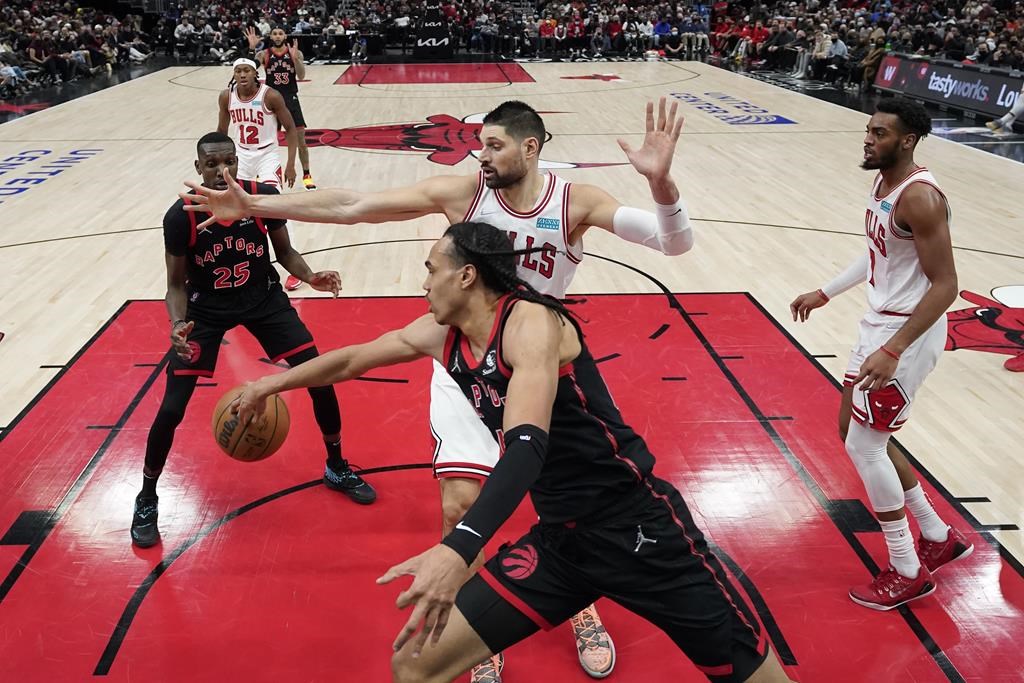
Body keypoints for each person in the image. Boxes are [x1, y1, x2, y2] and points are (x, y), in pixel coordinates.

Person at [184, 97, 694, 682]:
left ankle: (579, 604)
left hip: (538, 358)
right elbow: (353, 205)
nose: (482, 155)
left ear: (531, 148)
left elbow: (673, 243)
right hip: (466, 355)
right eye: (480, 144)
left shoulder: (574, 202)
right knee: (458, 504)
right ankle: (476, 634)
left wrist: (662, 184)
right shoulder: (463, 194)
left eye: (494, 145)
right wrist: (253, 204)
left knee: (564, 498)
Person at [233, 222, 794, 683]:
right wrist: (268, 385)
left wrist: (458, 549)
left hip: (639, 530)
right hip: (563, 543)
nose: (422, 283)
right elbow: (352, 359)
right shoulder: (441, 333)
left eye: (431, 269)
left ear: (466, 275)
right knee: (415, 665)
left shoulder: (532, 323)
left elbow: (525, 448)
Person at [130, 132, 375, 549]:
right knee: (172, 407)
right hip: (206, 309)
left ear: (237, 162)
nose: (221, 171)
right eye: (212, 164)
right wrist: (177, 323)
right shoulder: (182, 216)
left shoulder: (260, 198)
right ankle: (147, 496)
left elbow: (285, 252)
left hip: (263, 299)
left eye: (228, 161)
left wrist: (310, 276)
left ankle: (336, 466)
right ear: (198, 168)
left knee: (320, 376)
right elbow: (174, 285)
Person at [790, 99, 973, 611]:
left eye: (880, 133)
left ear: (907, 141)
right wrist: (825, 292)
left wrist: (894, 349)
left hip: (906, 334)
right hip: (880, 326)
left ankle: (907, 569)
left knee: (866, 446)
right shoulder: (883, 184)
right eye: (868, 130)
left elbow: (947, 286)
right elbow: (878, 252)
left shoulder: (921, 198)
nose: (868, 139)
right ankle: (936, 535)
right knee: (851, 431)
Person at [247, 27, 318, 193]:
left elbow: (301, 76)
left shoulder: (295, 52)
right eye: (275, 34)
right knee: (264, 142)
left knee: (301, 141)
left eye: (280, 33)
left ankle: (306, 175)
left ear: (285, 36)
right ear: (271, 36)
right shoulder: (263, 54)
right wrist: (251, 49)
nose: (278, 36)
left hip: (290, 99)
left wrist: (296, 59)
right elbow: (249, 69)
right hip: (271, 101)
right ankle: (261, 174)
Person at [217, 58, 298, 191]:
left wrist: (291, 164)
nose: (242, 75)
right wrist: (220, 161)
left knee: (272, 195)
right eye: (238, 71)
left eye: (246, 71)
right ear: (234, 74)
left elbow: (290, 128)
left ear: (255, 73)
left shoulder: (271, 96)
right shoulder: (226, 97)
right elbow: (221, 130)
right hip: (240, 154)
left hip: (267, 154)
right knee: (236, 197)